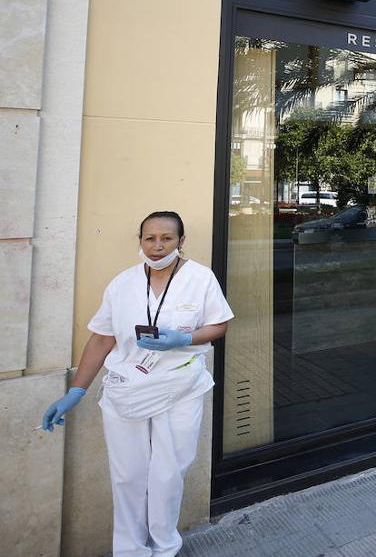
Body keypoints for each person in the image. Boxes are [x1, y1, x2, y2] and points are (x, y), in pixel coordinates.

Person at [41, 211, 233, 557]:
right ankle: (130, 550)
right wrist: (76, 390)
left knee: (168, 474)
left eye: (167, 238)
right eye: (150, 238)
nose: (157, 246)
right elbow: (102, 340)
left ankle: (165, 546)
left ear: (181, 241)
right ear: (140, 241)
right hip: (126, 389)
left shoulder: (200, 278)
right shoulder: (122, 284)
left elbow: (219, 326)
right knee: (127, 475)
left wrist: (182, 338)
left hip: (181, 388)